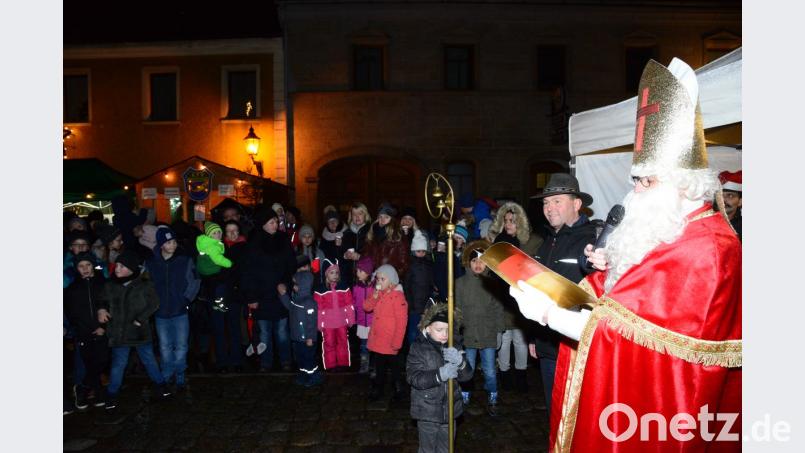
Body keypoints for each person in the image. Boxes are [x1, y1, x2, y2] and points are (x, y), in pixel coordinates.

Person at [509, 58, 742, 451]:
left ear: (682, 186)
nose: (635, 192)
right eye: (636, 181)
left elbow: (638, 343)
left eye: (646, 181)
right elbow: (638, 299)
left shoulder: (710, 248)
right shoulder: (673, 229)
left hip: (664, 416)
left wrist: (549, 314)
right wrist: (610, 268)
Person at [526, 173, 596, 412]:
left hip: (577, 347)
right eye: (546, 202)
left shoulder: (593, 241)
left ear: (576, 204)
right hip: (548, 346)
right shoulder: (546, 242)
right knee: (555, 411)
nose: (549, 207)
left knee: (579, 413)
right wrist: (535, 336)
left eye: (557, 201)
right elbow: (540, 291)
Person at [96, 251, 171, 409]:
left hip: (138, 331)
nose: (117, 268)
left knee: (149, 360)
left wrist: (140, 319)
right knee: (118, 364)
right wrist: (101, 309)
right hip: (119, 332)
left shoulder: (143, 284)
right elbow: (101, 299)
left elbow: (154, 303)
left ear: (131, 269)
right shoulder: (110, 285)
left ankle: (161, 385)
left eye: (121, 266)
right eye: (116, 265)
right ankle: (111, 393)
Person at [487, 201, 543, 393]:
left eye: (513, 221)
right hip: (502, 297)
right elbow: (491, 271)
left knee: (520, 339)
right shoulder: (499, 242)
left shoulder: (530, 242)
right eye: (506, 220)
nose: (509, 224)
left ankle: (520, 376)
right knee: (504, 339)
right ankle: (504, 375)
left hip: (522, 298)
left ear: (520, 222)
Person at [407, 302, 474, 453]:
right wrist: (439, 374)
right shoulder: (418, 348)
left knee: (446, 449)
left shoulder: (455, 346)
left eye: (448, 330)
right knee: (428, 450)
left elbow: (467, 377)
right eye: (439, 330)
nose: (445, 334)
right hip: (427, 412)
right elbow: (414, 377)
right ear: (427, 328)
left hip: (451, 411)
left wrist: (461, 363)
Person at [145, 227, 201, 395]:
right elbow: (145, 285)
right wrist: (152, 303)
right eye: (169, 242)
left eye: (174, 241)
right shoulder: (152, 263)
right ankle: (168, 373)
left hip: (180, 310)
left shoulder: (185, 260)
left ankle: (180, 374)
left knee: (181, 345)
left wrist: (186, 299)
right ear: (161, 245)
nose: (173, 245)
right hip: (161, 312)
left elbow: (195, 281)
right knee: (165, 346)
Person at [240, 207, 296, 372]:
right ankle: (266, 362)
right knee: (264, 332)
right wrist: (251, 297)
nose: (275, 225)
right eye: (271, 222)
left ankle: (286, 360)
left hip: (279, 295)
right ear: (263, 224)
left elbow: (290, 265)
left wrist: (285, 283)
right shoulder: (254, 243)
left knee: (282, 331)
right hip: (261, 295)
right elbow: (247, 272)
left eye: (276, 222)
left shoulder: (283, 240)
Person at [455, 239, 504, 416]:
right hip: (468, 333)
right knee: (467, 367)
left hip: (488, 333)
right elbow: (457, 308)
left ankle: (492, 394)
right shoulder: (460, 283)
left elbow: (499, 308)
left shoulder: (493, 283)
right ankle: (465, 394)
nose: (478, 264)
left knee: (490, 369)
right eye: (474, 261)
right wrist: (456, 330)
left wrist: (499, 331)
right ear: (469, 262)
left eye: (482, 261)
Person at [64, 252, 108, 409]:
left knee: (102, 360)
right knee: (88, 362)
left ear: (93, 266)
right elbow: (71, 313)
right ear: (76, 268)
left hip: (101, 330)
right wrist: (78, 329)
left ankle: (82, 386)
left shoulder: (102, 283)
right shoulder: (71, 290)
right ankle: (96, 392)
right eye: (81, 266)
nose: (85, 269)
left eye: (88, 265)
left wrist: (102, 327)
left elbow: (109, 307)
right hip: (83, 332)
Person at [364, 264, 408, 402]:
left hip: (390, 341)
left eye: (382, 279)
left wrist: (397, 341)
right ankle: (378, 388)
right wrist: (374, 297)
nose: (379, 282)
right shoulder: (378, 294)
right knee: (379, 367)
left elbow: (402, 322)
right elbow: (366, 307)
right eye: (377, 279)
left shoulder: (398, 297)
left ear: (391, 282)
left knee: (395, 368)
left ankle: (398, 389)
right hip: (378, 340)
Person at [278, 270, 323, 386]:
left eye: (296, 284)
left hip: (307, 338)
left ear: (303, 285)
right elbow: (289, 307)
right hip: (298, 337)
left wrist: (310, 337)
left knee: (309, 358)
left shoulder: (309, 303)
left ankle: (314, 376)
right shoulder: (297, 299)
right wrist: (283, 295)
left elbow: (312, 322)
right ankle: (304, 375)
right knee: (301, 358)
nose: (294, 287)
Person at [313, 259, 355, 371]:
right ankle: (331, 365)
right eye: (332, 273)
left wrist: (351, 319)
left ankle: (343, 363)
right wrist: (319, 323)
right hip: (328, 323)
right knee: (329, 343)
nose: (335, 275)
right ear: (326, 274)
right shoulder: (320, 289)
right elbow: (318, 308)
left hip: (341, 322)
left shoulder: (344, 287)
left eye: (337, 272)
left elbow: (349, 304)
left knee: (343, 342)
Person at [404, 230, 435, 348]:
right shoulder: (410, 265)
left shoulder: (428, 264)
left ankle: (423, 352)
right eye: (418, 251)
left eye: (423, 251)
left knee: (425, 329)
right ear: (413, 251)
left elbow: (430, 281)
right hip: (414, 304)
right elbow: (407, 285)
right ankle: (412, 351)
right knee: (413, 330)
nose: (421, 253)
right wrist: (409, 303)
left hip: (426, 302)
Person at [364, 203, 410, 279]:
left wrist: (392, 278)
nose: (382, 220)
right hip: (373, 279)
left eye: (386, 217)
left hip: (390, 281)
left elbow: (404, 263)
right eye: (380, 217)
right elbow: (366, 257)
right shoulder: (371, 235)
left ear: (392, 219)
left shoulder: (398, 236)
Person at [196, 221, 233, 314]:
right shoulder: (213, 246)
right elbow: (218, 259)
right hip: (211, 271)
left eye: (219, 232)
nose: (218, 234)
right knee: (215, 288)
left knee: (210, 287)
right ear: (210, 235)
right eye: (214, 233)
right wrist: (229, 263)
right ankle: (217, 303)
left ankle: (207, 296)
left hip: (205, 271)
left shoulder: (206, 243)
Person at [352, 256, 375, 374]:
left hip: (373, 322)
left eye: (360, 271)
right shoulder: (356, 287)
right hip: (361, 321)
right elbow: (354, 303)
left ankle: (374, 365)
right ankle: (364, 363)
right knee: (363, 345)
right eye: (357, 270)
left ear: (368, 272)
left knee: (374, 344)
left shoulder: (374, 287)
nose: (358, 273)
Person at [719, 170, 742, 240]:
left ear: (740, 202)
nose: (723, 200)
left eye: (730, 195)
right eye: (720, 195)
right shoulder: (705, 223)